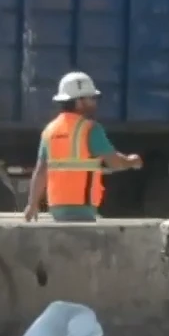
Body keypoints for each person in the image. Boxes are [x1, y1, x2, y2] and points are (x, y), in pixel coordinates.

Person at [25, 72, 144, 223]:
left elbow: (40, 171)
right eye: (91, 98)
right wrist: (132, 161)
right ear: (79, 101)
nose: (95, 102)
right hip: (82, 207)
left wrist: (32, 204)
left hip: (56, 207)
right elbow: (115, 163)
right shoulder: (90, 129)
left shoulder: (50, 130)